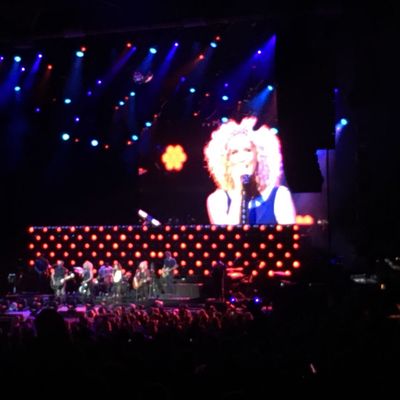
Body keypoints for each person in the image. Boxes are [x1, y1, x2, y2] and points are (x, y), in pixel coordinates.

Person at [203, 116, 296, 225]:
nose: (241, 158)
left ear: (259, 155)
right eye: (234, 152)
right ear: (227, 160)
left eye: (247, 150)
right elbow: (229, 234)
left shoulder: (280, 194)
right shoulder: (217, 199)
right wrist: (239, 190)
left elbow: (289, 234)